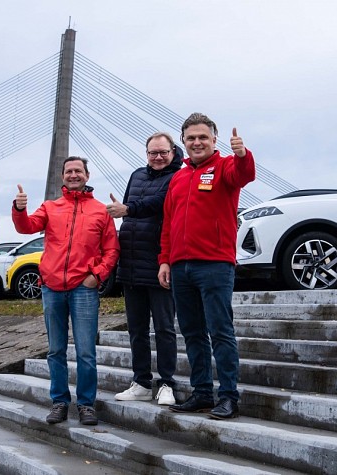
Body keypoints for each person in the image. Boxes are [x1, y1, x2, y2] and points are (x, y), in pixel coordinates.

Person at [158, 113, 256, 420]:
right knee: (192, 333)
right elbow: (169, 223)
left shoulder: (225, 166)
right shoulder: (178, 177)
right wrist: (164, 260)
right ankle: (201, 393)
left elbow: (244, 175)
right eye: (191, 138)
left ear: (214, 140)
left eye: (203, 137)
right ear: (183, 142)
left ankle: (228, 397)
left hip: (214, 265)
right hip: (181, 267)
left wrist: (243, 155)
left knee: (220, 331)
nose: (197, 142)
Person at [12, 156, 119, 426]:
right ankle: (59, 402)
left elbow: (112, 250)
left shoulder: (101, 211)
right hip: (52, 289)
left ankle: (86, 404)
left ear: (87, 175)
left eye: (78, 171)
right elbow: (26, 227)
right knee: (55, 351)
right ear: (62, 176)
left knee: (86, 352)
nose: (73, 175)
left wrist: (97, 276)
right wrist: (19, 209)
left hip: (84, 289)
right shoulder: (50, 207)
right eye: (69, 171)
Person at [106, 132, 183, 406]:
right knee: (136, 330)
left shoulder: (178, 177)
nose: (158, 157)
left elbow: (157, 204)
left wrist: (127, 209)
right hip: (131, 263)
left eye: (163, 152)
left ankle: (167, 383)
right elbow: (130, 209)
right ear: (146, 153)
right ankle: (140, 382)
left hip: (159, 262)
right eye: (153, 153)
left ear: (173, 152)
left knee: (164, 328)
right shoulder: (137, 175)